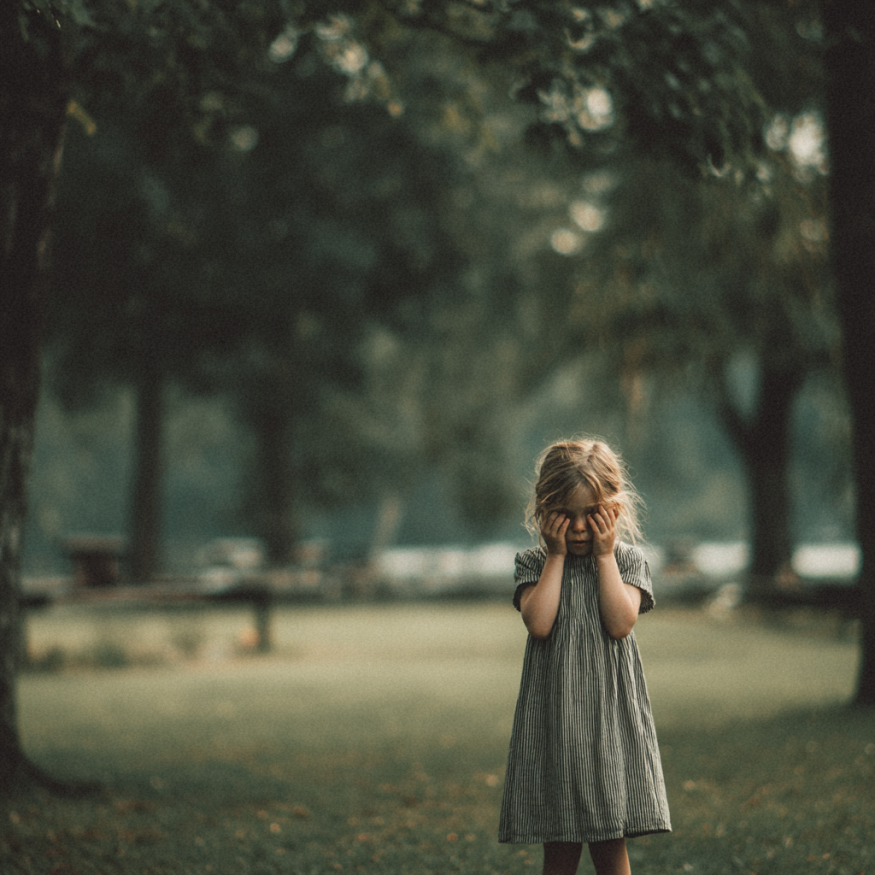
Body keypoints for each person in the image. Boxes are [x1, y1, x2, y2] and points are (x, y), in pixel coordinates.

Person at [498, 438, 671, 875]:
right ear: (544, 512)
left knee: (610, 841)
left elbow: (620, 623)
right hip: (554, 722)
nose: (577, 528)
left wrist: (606, 555)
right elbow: (539, 623)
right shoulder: (533, 564)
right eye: (565, 514)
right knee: (559, 845)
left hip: (608, 722)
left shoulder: (627, 562)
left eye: (590, 514)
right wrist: (555, 556)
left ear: (614, 509)